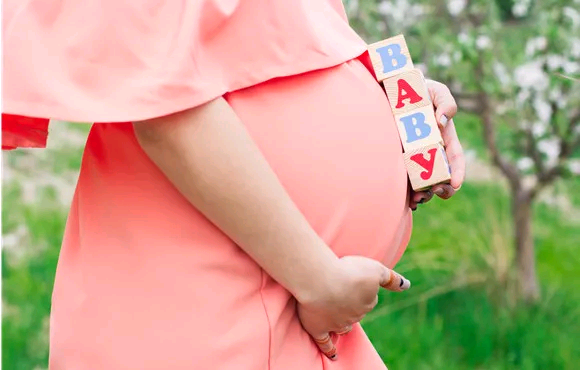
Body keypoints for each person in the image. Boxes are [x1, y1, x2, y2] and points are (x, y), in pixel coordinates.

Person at [2, 0, 465, 369]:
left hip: (293, 302)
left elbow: (263, 41)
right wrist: (318, 280)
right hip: (214, 302)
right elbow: (168, 109)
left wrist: (393, 95)